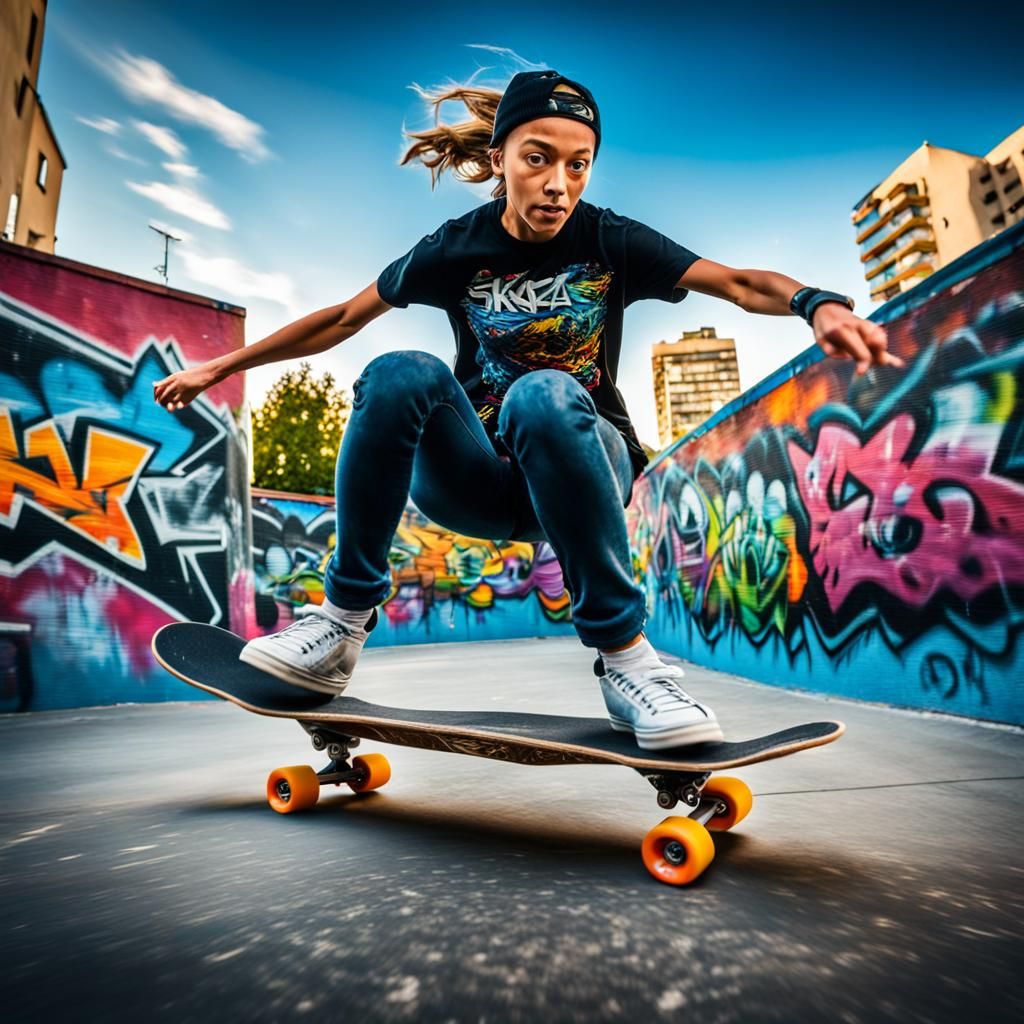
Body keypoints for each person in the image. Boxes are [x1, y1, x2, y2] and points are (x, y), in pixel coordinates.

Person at [153, 69, 904, 750]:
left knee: (539, 392)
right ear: (500, 157)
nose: (559, 185)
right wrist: (223, 364)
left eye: (578, 165)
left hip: (580, 465)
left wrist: (816, 304)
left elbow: (738, 282)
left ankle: (627, 664)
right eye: (539, 158)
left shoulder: (609, 239)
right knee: (396, 371)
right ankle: (341, 626)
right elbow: (342, 319)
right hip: (476, 482)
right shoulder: (454, 248)